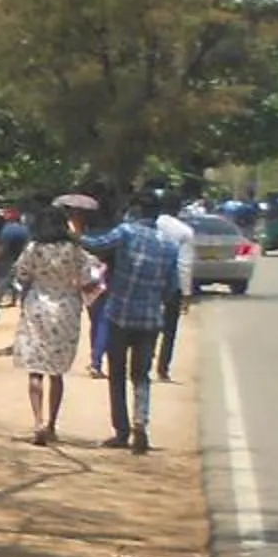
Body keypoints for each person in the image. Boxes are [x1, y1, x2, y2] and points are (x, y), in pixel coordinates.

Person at [82, 193, 178, 452]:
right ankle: (140, 425)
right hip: (150, 319)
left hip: (119, 315)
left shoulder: (125, 232)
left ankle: (121, 431)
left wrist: (73, 232)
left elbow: (95, 244)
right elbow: (172, 289)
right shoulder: (169, 246)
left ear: (136, 210)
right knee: (141, 376)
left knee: (117, 375)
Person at [10, 208, 90, 443]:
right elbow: (87, 276)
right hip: (66, 309)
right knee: (56, 372)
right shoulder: (75, 249)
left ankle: (38, 422)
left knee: (35, 368)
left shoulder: (34, 248)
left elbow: (22, 274)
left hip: (37, 307)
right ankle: (52, 424)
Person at [153, 196, 196, 382]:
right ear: (179, 210)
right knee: (169, 330)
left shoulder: (150, 225)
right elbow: (185, 265)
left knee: (148, 324)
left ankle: (144, 361)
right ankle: (163, 369)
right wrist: (186, 294)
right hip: (172, 284)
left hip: (149, 280)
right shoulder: (185, 231)